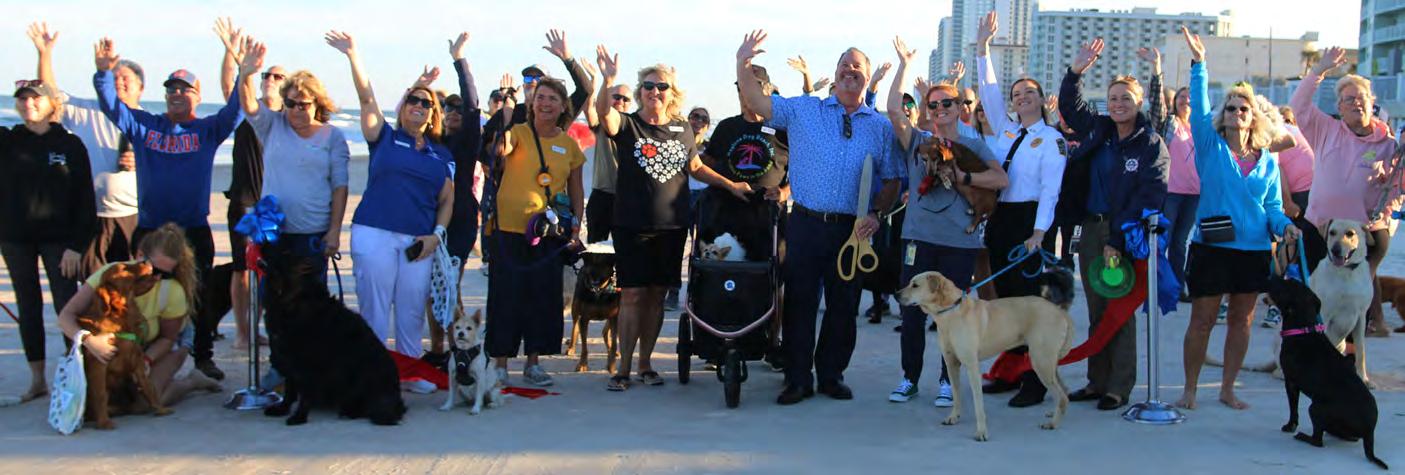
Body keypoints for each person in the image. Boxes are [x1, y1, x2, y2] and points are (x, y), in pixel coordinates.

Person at [735, 31, 902, 404]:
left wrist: (877, 213)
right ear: (835, 71)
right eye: (844, 64)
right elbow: (758, 102)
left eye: (857, 66)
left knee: (844, 307)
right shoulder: (804, 109)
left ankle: (831, 375)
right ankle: (797, 378)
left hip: (853, 231)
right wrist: (743, 63)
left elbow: (892, 179)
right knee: (800, 303)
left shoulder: (880, 126)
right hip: (807, 224)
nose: (850, 71)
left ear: (868, 76)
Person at [595, 45, 752, 391]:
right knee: (632, 295)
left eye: (661, 86)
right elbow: (604, 114)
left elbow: (695, 167)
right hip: (631, 225)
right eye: (648, 86)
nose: (655, 91)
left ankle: (645, 364)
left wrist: (731, 185)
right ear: (640, 92)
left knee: (655, 297)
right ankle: (622, 369)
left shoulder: (683, 130)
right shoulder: (628, 124)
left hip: (672, 228)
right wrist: (607, 81)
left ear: (672, 93)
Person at [93, 35, 247, 381]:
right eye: (172, 89)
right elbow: (112, 106)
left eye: (185, 89)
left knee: (199, 296)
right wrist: (103, 74)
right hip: (151, 229)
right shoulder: (144, 125)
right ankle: (141, 359)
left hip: (193, 228)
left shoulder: (207, 130)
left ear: (198, 96)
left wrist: (243, 70)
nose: (177, 94)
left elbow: (236, 110)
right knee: (141, 296)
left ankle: (202, 357)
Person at [1176, 28, 1299, 410]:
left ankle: (1227, 388)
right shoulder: (1209, 147)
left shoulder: (1268, 161)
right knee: (1202, 321)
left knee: (1242, 321)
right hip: (1212, 248)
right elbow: (1199, 105)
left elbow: (1273, 207)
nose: (1236, 112)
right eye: (1230, 108)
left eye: (1243, 108)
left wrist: (1285, 226)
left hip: (1253, 249)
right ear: (1223, 116)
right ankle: (1190, 390)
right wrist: (1199, 64)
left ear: (1253, 118)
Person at [884, 37, 1008, 408]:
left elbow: (1000, 179)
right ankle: (909, 378)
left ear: (959, 108)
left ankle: (946, 381)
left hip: (959, 242)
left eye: (947, 103)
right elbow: (893, 110)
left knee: (953, 316)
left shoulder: (974, 146)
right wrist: (904, 65)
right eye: (933, 104)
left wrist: (963, 177)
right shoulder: (918, 141)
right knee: (911, 312)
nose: (939, 109)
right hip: (918, 238)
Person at [1056, 39, 1170, 411]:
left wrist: (1118, 240)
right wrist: (1075, 73)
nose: (1119, 104)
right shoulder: (1100, 130)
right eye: (1113, 98)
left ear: (1140, 102)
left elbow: (1149, 196)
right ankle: (1096, 381)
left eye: (1126, 98)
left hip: (1125, 235)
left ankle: (1119, 386)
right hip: (1092, 230)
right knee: (1096, 310)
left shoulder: (1149, 143)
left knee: (1118, 311)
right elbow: (1070, 109)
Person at [326, 30, 454, 357]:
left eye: (426, 103)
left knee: (412, 312)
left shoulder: (441, 154)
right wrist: (354, 55)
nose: (419, 106)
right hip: (374, 233)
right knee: (376, 313)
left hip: (418, 242)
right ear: (403, 106)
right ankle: (374, 373)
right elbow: (367, 98)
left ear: (433, 113)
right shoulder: (383, 137)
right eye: (413, 100)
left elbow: (447, 200)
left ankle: (410, 372)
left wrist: (437, 235)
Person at [972, 11, 1069, 407]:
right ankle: (1010, 370)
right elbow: (988, 91)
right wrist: (983, 49)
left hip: (1030, 221)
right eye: (1016, 93)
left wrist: (1040, 232)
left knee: (1032, 303)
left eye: (1029, 92)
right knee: (1006, 301)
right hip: (1002, 219)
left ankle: (1037, 379)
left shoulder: (1051, 140)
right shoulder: (1006, 129)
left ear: (1042, 99)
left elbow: (1050, 190)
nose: (1021, 97)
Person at [1290, 46, 1401, 337]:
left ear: (1372, 103)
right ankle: (1312, 351)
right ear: (1339, 107)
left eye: (1362, 97)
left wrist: (1386, 210)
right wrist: (1319, 70)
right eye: (1349, 99)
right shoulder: (1324, 129)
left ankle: (1349, 357)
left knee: (1351, 305)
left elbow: (1399, 187)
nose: (1356, 103)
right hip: (1320, 228)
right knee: (1316, 297)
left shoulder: (1388, 145)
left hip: (1361, 235)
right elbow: (1298, 104)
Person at [485, 76, 586, 387]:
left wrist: (576, 226)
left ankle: (533, 363)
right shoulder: (518, 132)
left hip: (549, 232)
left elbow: (576, 190)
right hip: (509, 230)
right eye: (540, 97)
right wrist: (505, 113)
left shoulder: (569, 145)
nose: (545, 103)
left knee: (541, 297)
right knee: (506, 296)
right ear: (532, 103)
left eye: (553, 98)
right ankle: (500, 363)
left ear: (563, 106)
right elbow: (500, 149)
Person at [0, 79, 96, 403]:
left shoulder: (70, 144)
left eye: (35, 98)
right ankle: (37, 380)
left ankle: (75, 375)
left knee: (66, 306)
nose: (28, 104)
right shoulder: (8, 140)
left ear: (51, 103)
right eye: (22, 99)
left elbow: (85, 200)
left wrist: (77, 246)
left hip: (61, 242)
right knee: (28, 306)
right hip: (16, 239)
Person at [57, 223, 222, 408]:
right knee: (96, 400)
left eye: (165, 274)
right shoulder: (112, 274)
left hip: (162, 345)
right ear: (139, 255)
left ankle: (191, 382)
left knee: (148, 401)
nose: (157, 278)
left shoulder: (172, 290)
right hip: (117, 345)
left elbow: (168, 338)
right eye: (154, 270)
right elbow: (66, 316)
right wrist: (89, 340)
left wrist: (144, 360)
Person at [28, 22, 141, 273]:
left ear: (141, 87)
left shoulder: (148, 122)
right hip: (92, 214)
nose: (119, 82)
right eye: (114, 77)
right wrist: (45, 54)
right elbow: (51, 96)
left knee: (130, 281)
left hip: (131, 215)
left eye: (126, 78)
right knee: (92, 280)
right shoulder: (87, 111)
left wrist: (142, 161)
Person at [236, 42, 350, 276]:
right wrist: (245, 74)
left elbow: (340, 186)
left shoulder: (333, 137)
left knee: (309, 297)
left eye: (303, 105)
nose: (296, 109)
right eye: (290, 103)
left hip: (313, 234)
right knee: (271, 295)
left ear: (317, 104)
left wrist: (335, 231)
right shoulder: (272, 125)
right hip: (273, 231)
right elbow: (249, 106)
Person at [215, 18, 283, 351]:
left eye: (277, 77)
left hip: (273, 205)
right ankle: (243, 333)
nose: (270, 79)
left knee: (268, 270)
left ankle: (262, 328)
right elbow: (230, 82)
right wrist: (231, 51)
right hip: (245, 201)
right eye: (267, 75)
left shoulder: (287, 120)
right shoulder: (247, 110)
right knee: (242, 269)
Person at [423, 33, 485, 365]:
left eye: (458, 108)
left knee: (449, 284)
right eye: (448, 107)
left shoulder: (467, 141)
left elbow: (473, 104)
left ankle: (457, 348)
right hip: (427, 220)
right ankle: (437, 348)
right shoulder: (431, 142)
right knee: (428, 287)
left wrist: (459, 61)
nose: (454, 112)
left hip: (460, 221)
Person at [1156, 84, 1198, 302]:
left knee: (1180, 244)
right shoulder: (1171, 123)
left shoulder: (1200, 127)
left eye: (1190, 97)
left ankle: (1177, 288)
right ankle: (1156, 286)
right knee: (1163, 240)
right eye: (1181, 97)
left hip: (1194, 194)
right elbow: (1157, 106)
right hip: (1171, 192)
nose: (1185, 100)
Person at [669, 106, 715, 310]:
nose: (699, 121)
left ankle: (697, 292)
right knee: (676, 245)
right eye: (695, 116)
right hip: (679, 196)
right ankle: (673, 293)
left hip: (704, 198)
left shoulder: (711, 148)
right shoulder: (677, 143)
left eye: (704, 119)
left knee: (701, 247)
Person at [585, 83, 631, 243]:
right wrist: (596, 82)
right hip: (602, 195)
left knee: (626, 249)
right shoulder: (601, 122)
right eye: (616, 97)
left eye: (625, 99)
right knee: (595, 249)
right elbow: (588, 108)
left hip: (628, 197)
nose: (620, 101)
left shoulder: (634, 126)